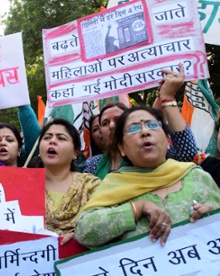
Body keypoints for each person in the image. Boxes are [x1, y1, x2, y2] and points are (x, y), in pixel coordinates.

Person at [75, 106, 220, 248]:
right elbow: (84, 231)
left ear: (168, 140)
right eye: (133, 128)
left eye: (152, 125)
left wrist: (213, 217)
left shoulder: (197, 176)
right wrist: (136, 208)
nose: (145, 131)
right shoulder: (113, 185)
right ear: (122, 148)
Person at [84, 64, 197, 179]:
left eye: (118, 120)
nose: (112, 125)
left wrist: (168, 97)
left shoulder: (149, 155)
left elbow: (186, 153)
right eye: (104, 123)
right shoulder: (93, 165)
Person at [38, 118, 101, 245]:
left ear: (76, 152)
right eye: (47, 137)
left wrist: (82, 235)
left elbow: (104, 220)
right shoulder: (24, 187)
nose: (52, 141)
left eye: (61, 138)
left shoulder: (90, 185)